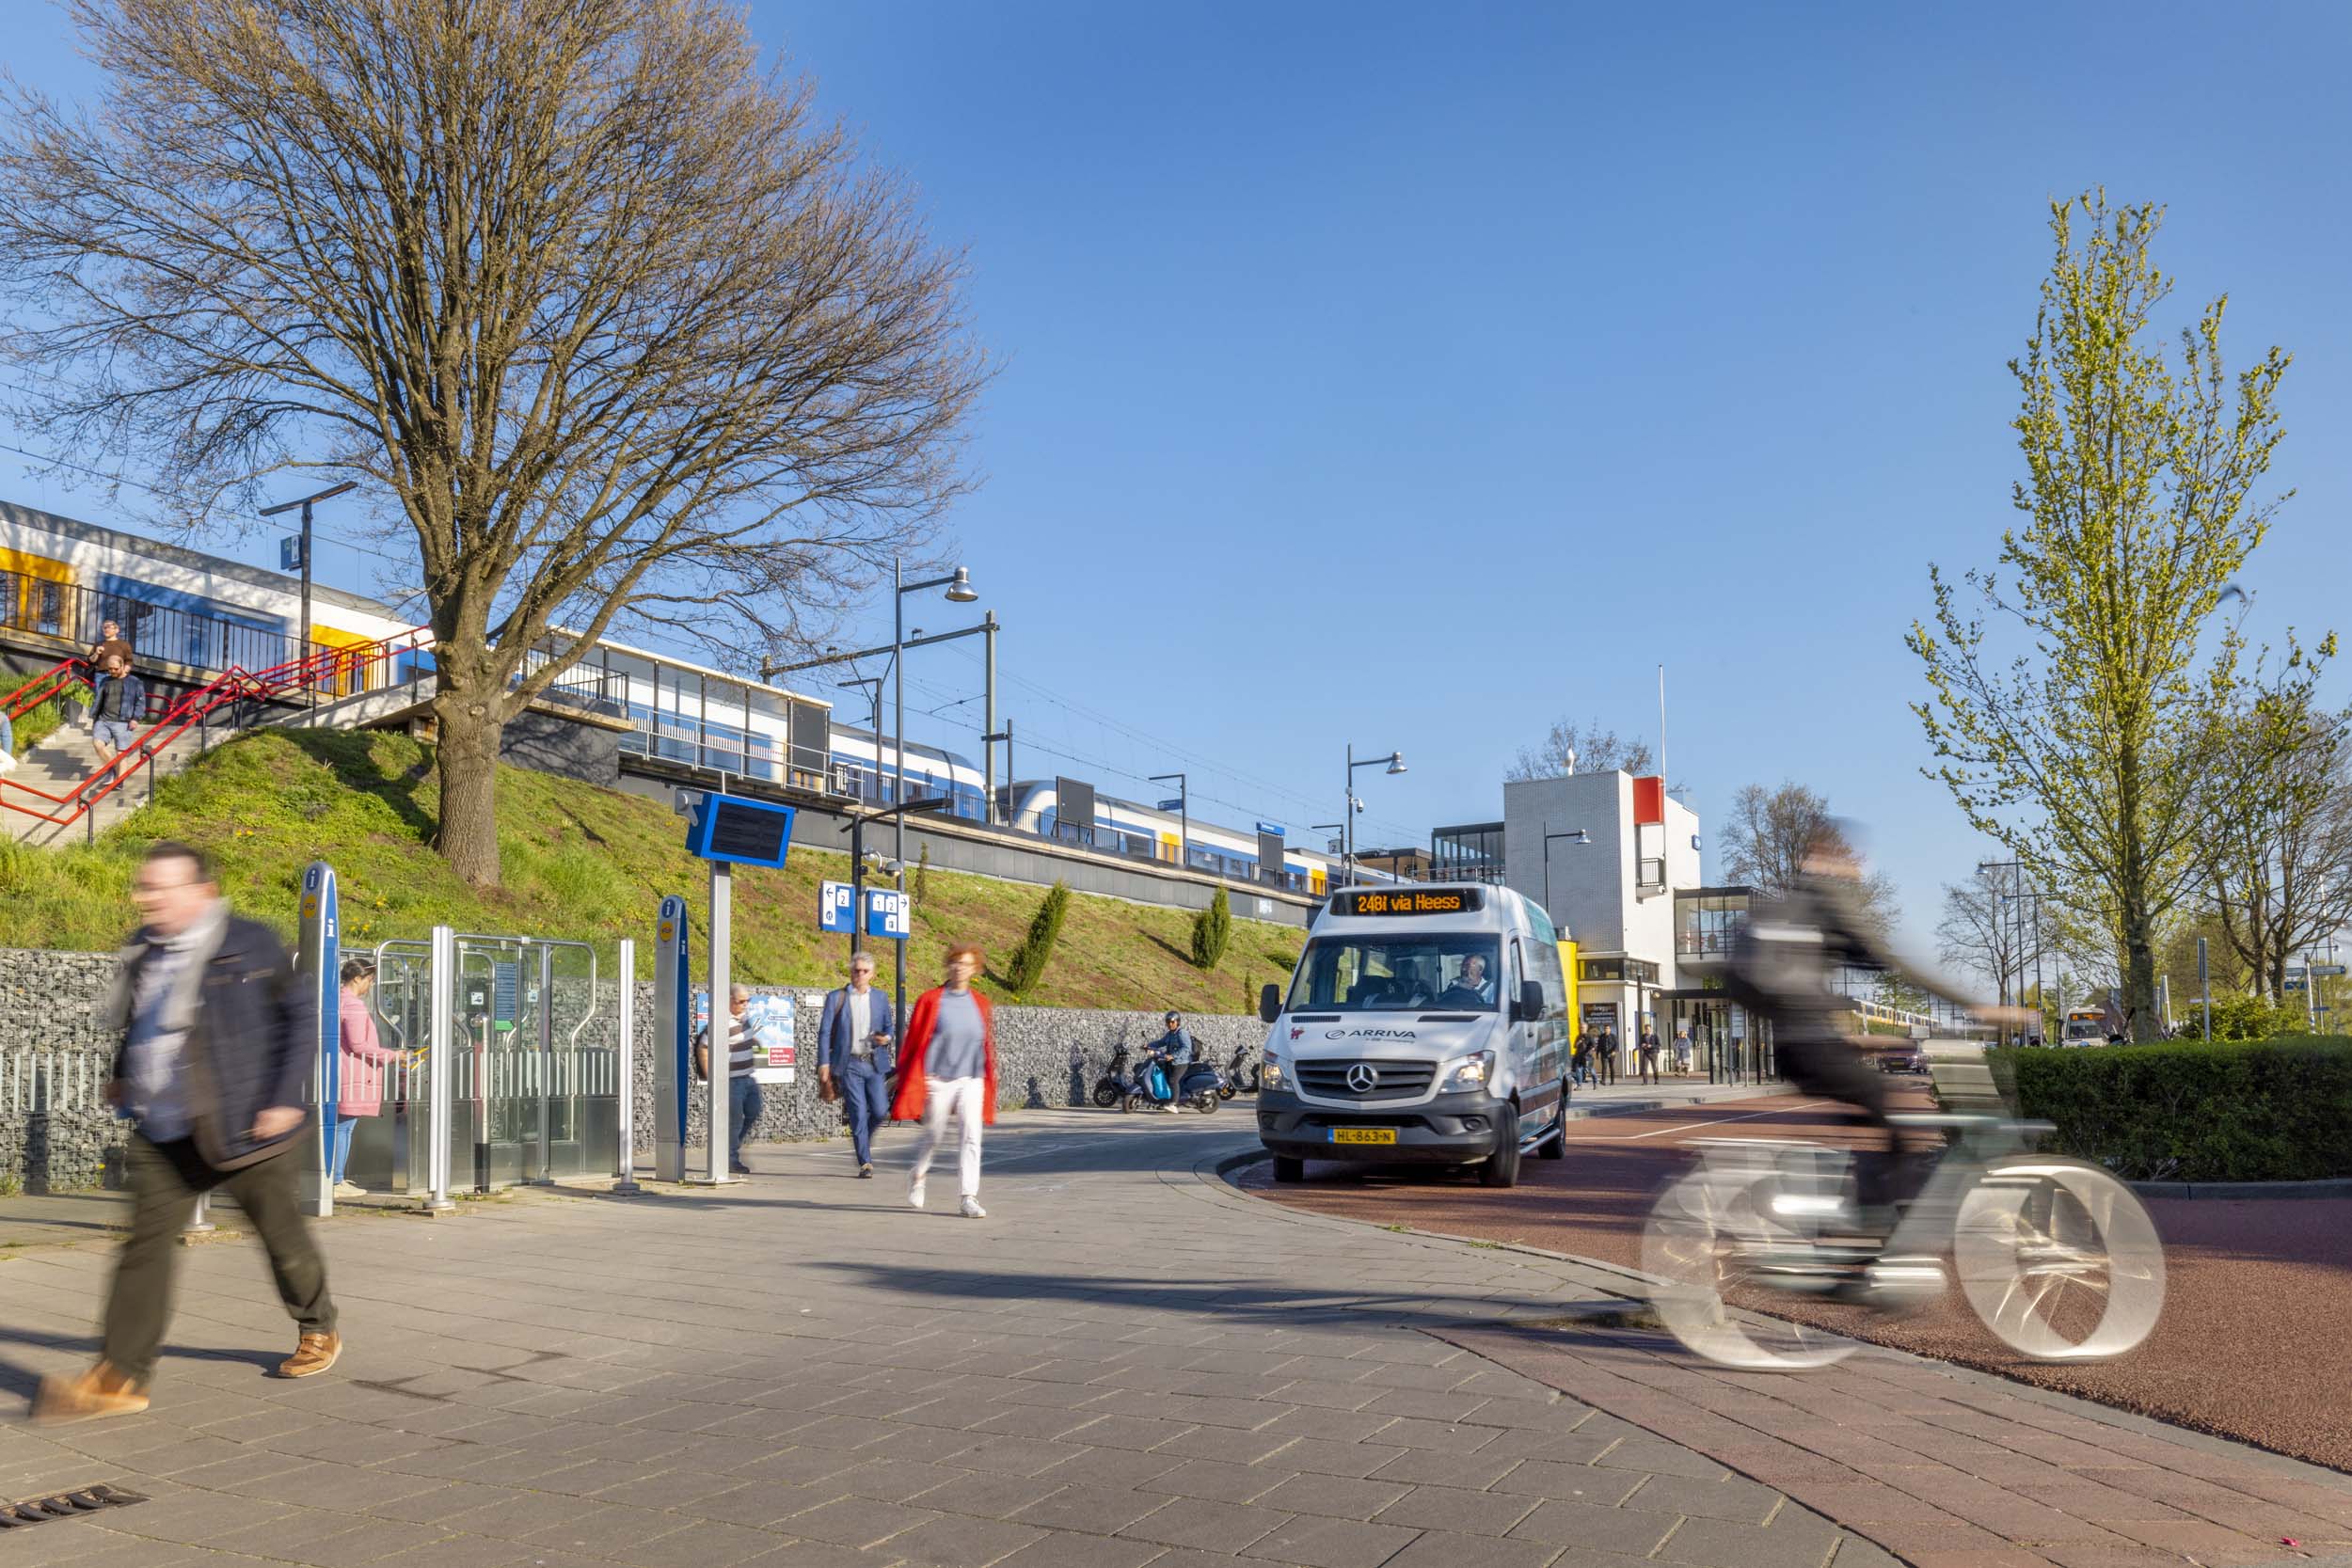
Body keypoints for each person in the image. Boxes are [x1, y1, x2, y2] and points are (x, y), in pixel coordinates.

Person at [34, 842, 340, 1422]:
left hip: (245, 1122)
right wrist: (124, 1075)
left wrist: (282, 1099)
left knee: (280, 1237)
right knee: (144, 1248)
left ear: (202, 893)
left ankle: (317, 1325)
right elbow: (138, 1022)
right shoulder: (144, 950)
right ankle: (121, 1375)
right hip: (166, 1128)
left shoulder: (248, 941)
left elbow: (301, 1018)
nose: (146, 898)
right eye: (144, 887)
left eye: (160, 888)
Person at [1724, 828, 2024, 1239]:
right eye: (1849, 859)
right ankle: (1874, 1234)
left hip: (1799, 1047)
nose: (1857, 868)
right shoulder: (1827, 903)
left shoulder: (1792, 910)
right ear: (1826, 859)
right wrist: (1972, 1004)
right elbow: (1893, 963)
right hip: (1814, 1048)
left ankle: (1863, 1217)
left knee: (1883, 1115)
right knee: (1896, 1113)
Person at [891, 942, 997, 1219]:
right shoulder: (930, 1000)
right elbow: (914, 1041)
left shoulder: (981, 1004)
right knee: (934, 1134)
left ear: (975, 969)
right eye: (955, 962)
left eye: (965, 963)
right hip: (938, 1078)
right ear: (948, 966)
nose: (959, 968)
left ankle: (968, 1197)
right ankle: (918, 1174)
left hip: (972, 1079)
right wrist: (916, 1077)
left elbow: (984, 1044)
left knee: (971, 1135)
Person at [330, 958, 410, 1196]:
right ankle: (336, 1180)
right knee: (344, 1126)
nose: (370, 986)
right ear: (357, 978)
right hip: (352, 1073)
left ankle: (335, 1178)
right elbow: (358, 1044)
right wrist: (392, 1055)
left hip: (341, 1070)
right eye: (369, 980)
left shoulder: (337, 1000)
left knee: (340, 1126)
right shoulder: (353, 1006)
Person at [817, 953, 896, 1178]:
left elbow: (889, 1027)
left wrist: (886, 1039)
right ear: (850, 972)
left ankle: (862, 1139)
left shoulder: (880, 998)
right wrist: (824, 1063)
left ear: (873, 974)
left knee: (880, 1111)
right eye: (856, 970)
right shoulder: (837, 997)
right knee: (858, 1112)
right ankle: (865, 1162)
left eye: (864, 971)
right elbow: (824, 1032)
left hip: (873, 1063)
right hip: (849, 1064)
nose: (860, 975)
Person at [693, 983, 758, 1176]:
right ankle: (730, 1159)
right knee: (735, 1121)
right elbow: (703, 1048)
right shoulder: (720, 1022)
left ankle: (729, 1147)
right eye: (741, 1001)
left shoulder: (744, 1018)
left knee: (754, 1111)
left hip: (748, 1078)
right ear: (730, 1000)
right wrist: (711, 1077)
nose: (745, 1005)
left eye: (748, 1000)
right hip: (732, 1081)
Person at [88, 652, 145, 768]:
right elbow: (100, 700)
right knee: (97, 744)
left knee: (121, 753)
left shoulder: (134, 682)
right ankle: (112, 769)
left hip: (123, 721)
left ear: (123, 666)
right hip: (103, 720)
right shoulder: (105, 681)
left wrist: (135, 718)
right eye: (110, 669)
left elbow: (140, 702)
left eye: (115, 669)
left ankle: (119, 782)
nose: (112, 671)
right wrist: (95, 718)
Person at [1144, 1010, 1196, 1113]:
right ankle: (1165, 1101)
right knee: (1165, 1079)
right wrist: (1149, 1046)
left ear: (1178, 1022)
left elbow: (1186, 1049)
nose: (1170, 1024)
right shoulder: (1170, 1034)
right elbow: (1161, 1042)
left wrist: (1173, 1056)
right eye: (1168, 1022)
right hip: (1170, 1061)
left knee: (1173, 1080)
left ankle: (1173, 1104)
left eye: (1172, 1022)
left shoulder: (1182, 1033)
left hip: (1181, 1062)